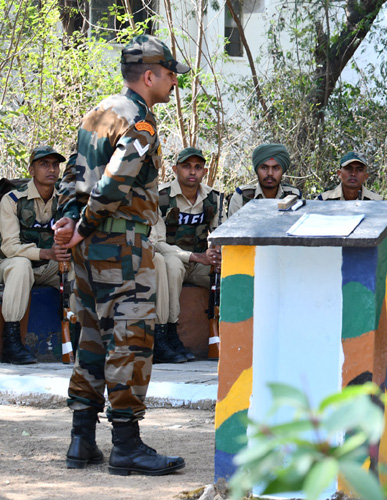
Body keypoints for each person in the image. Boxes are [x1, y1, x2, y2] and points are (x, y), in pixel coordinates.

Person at [53, 34, 186, 475]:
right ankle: (126, 446)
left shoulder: (97, 114)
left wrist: (71, 221)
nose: (173, 83)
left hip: (90, 250)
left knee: (91, 335)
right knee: (130, 340)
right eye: (169, 75)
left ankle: (81, 441)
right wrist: (86, 225)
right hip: (122, 246)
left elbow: (76, 174)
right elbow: (112, 184)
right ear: (149, 76)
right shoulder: (141, 123)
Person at [150, 147, 222, 363]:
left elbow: (221, 234)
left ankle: (230, 337)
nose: (192, 172)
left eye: (198, 167)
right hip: (173, 258)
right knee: (170, 266)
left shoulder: (213, 198)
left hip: (201, 262)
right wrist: (195, 257)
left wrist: (218, 257)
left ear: (204, 171)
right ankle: (167, 336)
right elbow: (158, 243)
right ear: (175, 169)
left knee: (231, 275)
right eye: (186, 166)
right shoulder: (161, 197)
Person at [0, 146, 70, 365]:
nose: (52, 169)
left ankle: (83, 338)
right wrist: (45, 252)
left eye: (55, 165)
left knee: (80, 268)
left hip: (51, 268)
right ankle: (11, 342)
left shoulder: (66, 200)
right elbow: (10, 247)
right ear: (31, 169)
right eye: (44, 164)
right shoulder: (12, 200)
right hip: (14, 266)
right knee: (20, 265)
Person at [226, 143, 302, 216]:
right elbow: (233, 228)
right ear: (257, 170)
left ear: (282, 171)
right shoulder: (241, 197)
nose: (270, 173)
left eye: (276, 168)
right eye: (264, 168)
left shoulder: (293, 196)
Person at [317, 152, 382, 201]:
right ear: (339, 173)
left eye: (359, 170)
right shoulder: (323, 200)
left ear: (365, 176)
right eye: (348, 169)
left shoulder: (378, 202)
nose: (353, 174)